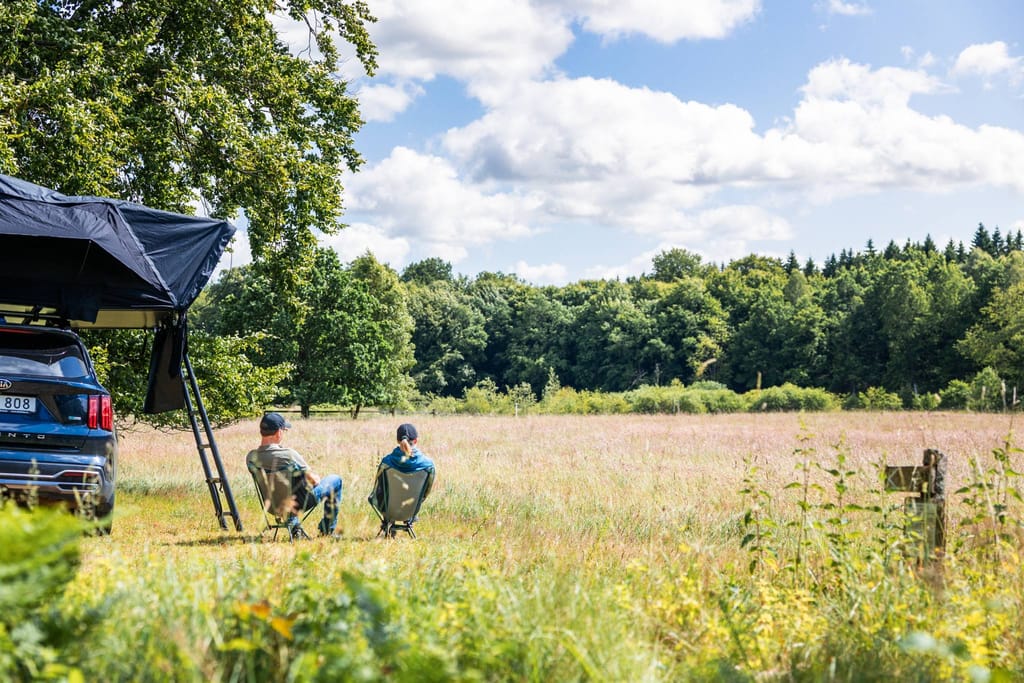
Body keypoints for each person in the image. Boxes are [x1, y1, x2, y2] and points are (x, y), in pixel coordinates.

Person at [245, 412, 343, 538]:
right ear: (279, 432)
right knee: (336, 480)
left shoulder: (251, 458)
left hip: (272, 506)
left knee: (292, 488)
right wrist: (316, 478)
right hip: (297, 504)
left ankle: (295, 527)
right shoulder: (289, 455)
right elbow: (314, 481)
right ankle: (327, 530)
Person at [369, 423, 436, 525]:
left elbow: (378, 488)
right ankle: (410, 519)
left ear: (397, 441)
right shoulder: (428, 465)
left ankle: (388, 523)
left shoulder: (386, 462)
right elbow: (426, 492)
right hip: (412, 509)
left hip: (388, 509)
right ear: (416, 440)